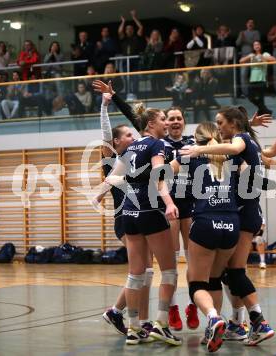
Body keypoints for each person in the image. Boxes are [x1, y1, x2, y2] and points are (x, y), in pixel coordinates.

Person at [180, 107, 276, 346]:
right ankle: (235, 323)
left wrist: (199, 148)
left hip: (241, 215)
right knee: (224, 274)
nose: (218, 126)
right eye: (217, 123)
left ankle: (255, 321)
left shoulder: (237, 145)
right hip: (242, 215)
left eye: (221, 122)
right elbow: (268, 153)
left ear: (232, 124)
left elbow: (241, 155)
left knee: (233, 272)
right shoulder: (239, 144)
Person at [100, 103, 182, 346]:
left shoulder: (130, 148)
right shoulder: (156, 145)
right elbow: (159, 176)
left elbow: (112, 176)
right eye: (163, 120)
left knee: (136, 274)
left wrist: (98, 195)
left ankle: (134, 328)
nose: (166, 123)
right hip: (150, 209)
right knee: (169, 271)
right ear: (151, 124)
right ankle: (161, 324)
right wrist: (168, 202)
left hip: (128, 213)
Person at [168, 121, 242, 352]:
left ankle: (212, 317)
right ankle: (215, 324)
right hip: (231, 224)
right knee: (214, 279)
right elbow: (255, 170)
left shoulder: (190, 154)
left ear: (196, 139)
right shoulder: (230, 154)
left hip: (205, 221)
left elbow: (161, 173)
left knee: (196, 282)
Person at [92, 81, 156, 337]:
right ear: (118, 141)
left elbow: (140, 124)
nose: (134, 137)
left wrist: (115, 98)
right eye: (128, 135)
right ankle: (134, 322)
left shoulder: (139, 153)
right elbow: (106, 133)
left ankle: (125, 315)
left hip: (141, 215)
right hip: (125, 218)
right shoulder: (113, 159)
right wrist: (104, 106)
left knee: (145, 270)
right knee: (139, 271)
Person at [162, 107, 199, 331]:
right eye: (171, 118)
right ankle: (173, 307)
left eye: (179, 118)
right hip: (170, 204)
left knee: (195, 259)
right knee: (171, 261)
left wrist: (248, 126)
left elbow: (223, 138)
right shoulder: (160, 144)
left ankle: (193, 305)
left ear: (184, 121)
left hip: (192, 203)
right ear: (165, 122)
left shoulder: (193, 142)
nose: (175, 121)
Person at [239, 41, 276, 115]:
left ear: (260, 46)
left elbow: (274, 59)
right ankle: (266, 111)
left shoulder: (265, 54)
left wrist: (262, 57)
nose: (256, 46)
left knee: (261, 99)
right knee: (250, 97)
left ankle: (262, 113)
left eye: (258, 44)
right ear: (253, 47)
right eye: (255, 45)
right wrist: (249, 56)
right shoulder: (252, 55)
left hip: (262, 80)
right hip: (252, 80)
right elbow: (241, 61)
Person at [118, 9, 145, 98]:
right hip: (126, 60)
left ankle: (135, 93)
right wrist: (123, 22)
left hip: (135, 60)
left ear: (133, 30)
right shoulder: (123, 38)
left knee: (135, 77)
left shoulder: (136, 37)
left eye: (130, 29)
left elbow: (141, 28)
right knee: (126, 78)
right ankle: (127, 93)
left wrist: (134, 18)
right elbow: (119, 32)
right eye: (127, 29)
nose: (129, 30)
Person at [236, 19, 261, 96]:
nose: (250, 24)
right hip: (244, 56)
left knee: (255, 75)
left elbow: (256, 43)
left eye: (252, 23)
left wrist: (245, 39)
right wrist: (241, 36)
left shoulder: (256, 32)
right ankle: (245, 93)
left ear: (254, 25)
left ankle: (256, 93)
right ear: (246, 24)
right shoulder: (242, 33)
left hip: (254, 56)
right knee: (243, 75)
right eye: (248, 23)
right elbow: (237, 43)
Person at [143, 30, 164, 96]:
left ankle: (161, 95)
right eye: (153, 34)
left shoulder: (160, 43)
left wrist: (153, 45)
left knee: (159, 82)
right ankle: (154, 95)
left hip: (158, 65)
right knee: (153, 82)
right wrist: (149, 44)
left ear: (158, 36)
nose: (154, 36)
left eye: (156, 34)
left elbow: (158, 51)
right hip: (151, 66)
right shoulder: (149, 44)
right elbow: (146, 52)